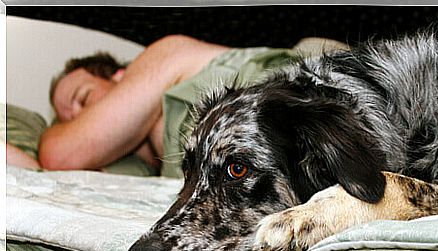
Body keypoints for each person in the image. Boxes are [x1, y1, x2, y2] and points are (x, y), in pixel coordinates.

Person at [7, 34, 346, 177]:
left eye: (82, 99)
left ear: (121, 75)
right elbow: (44, 177)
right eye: (65, 119)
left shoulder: (165, 54)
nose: (81, 119)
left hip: (314, 90)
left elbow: (62, 153)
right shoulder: (151, 166)